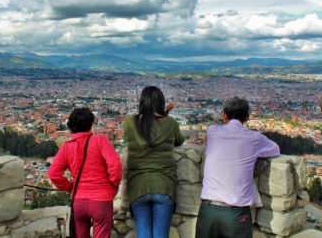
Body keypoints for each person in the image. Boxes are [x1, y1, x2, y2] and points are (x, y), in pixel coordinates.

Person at [195, 96, 280, 238]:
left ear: (224, 115)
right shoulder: (254, 138)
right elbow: (275, 149)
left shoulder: (212, 132)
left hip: (208, 210)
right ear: (247, 117)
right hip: (236, 213)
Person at [48, 107, 122, 238]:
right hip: (101, 200)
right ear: (91, 124)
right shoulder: (100, 140)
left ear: (71, 127)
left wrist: (71, 187)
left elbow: (53, 174)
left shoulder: (67, 147)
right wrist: (113, 185)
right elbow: (115, 165)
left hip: (79, 202)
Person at [123, 86, 184, 238]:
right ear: (161, 103)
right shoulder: (170, 123)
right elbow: (179, 141)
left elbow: (147, 126)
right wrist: (166, 115)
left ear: (142, 102)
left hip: (138, 187)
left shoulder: (129, 122)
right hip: (164, 186)